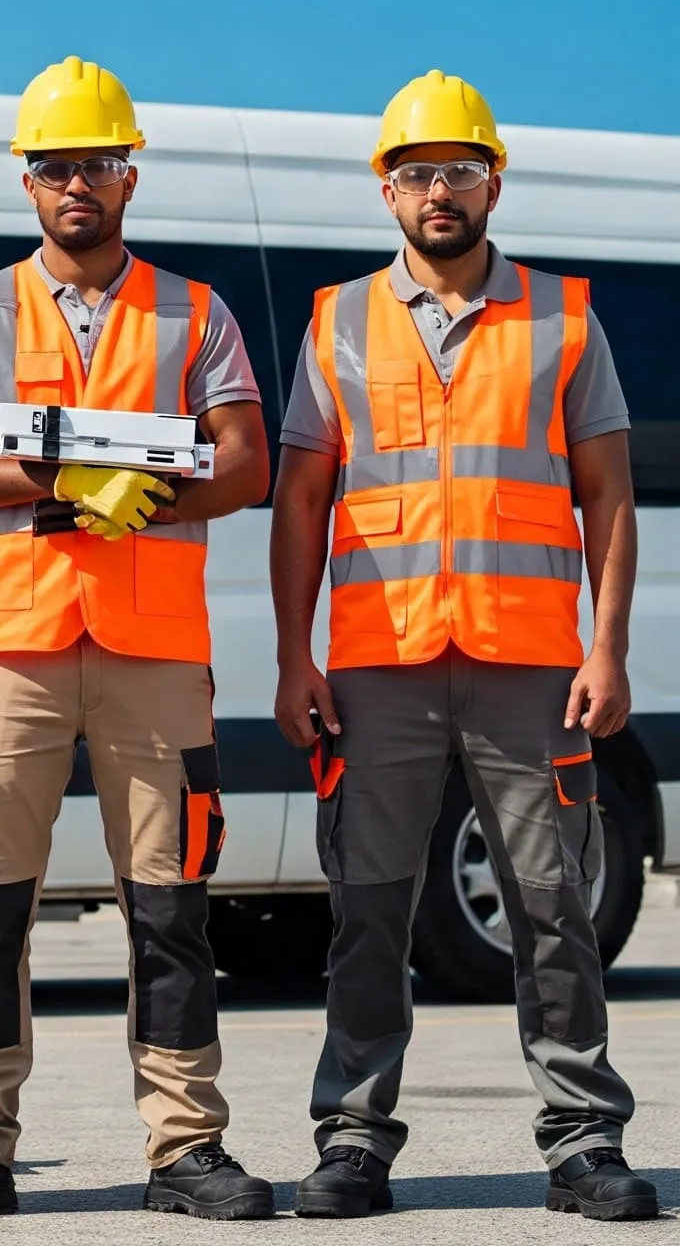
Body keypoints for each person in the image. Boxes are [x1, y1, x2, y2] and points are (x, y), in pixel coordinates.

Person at [270, 71, 656, 1222]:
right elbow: (298, 500)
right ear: (384, 191)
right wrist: (295, 657)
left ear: (493, 181)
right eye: (415, 173)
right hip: (376, 665)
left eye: (458, 170)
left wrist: (608, 648)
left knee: (552, 907)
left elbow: (609, 497)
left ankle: (582, 1138)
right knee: (368, 907)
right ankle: (350, 1138)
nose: (438, 191)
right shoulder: (336, 319)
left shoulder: (562, 315)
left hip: (531, 664)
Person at [0, 56, 274, 1222]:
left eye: (95, 164)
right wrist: (66, 473)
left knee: (168, 904)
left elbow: (247, 461)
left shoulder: (193, 311)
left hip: (153, 643)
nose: (76, 184)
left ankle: (183, 1144)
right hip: (8, 637)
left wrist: (151, 484)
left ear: (127, 174)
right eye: (55, 166)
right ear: (27, 181)